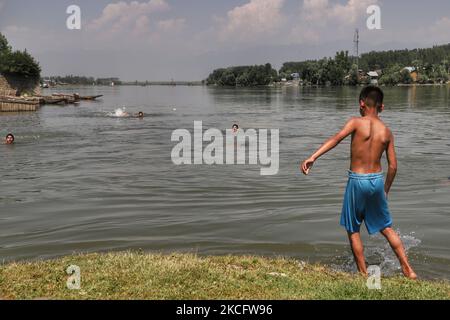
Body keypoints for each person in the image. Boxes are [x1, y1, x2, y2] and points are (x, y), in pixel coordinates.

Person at [301, 86, 417, 280]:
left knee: (353, 230)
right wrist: (385, 190)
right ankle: (408, 269)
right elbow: (393, 166)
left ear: (362, 103)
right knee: (387, 228)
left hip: (357, 181)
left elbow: (336, 139)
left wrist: (313, 157)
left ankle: (364, 275)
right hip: (376, 181)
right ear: (382, 107)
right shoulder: (387, 132)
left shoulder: (356, 122)